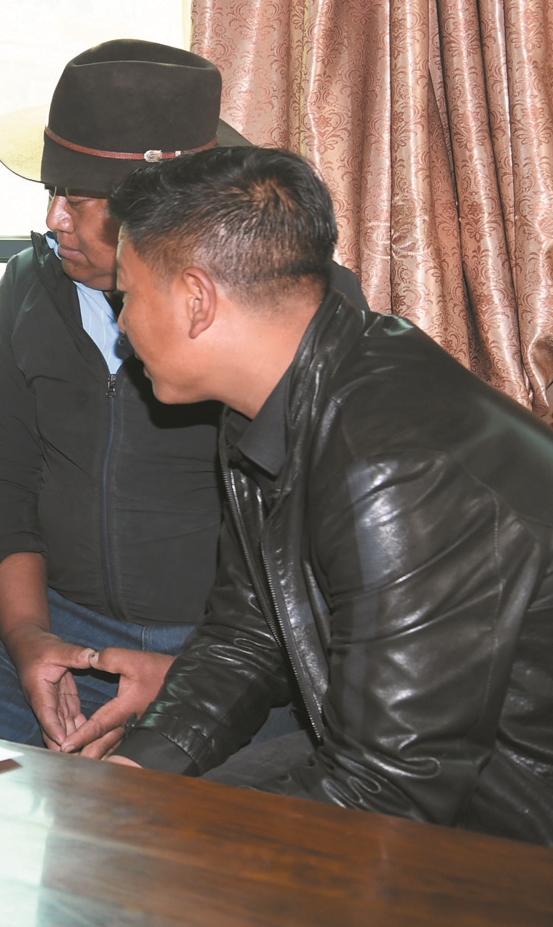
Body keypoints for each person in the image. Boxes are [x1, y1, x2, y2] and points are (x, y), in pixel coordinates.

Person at [0, 41, 361, 755]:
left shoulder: (281, 306)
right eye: (50, 190)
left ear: (162, 211)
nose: (54, 219)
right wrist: (30, 640)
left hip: (237, 652)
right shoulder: (29, 286)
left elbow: (324, 549)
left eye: (79, 199)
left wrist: (198, 677)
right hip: (61, 624)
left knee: (210, 802)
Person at [106, 146, 553, 846]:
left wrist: (172, 849)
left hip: (511, 827)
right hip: (406, 775)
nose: (121, 324)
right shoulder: (272, 400)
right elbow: (248, 632)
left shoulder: (392, 463)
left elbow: (392, 790)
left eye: (126, 295)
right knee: (124, 827)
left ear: (196, 300)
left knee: (154, 860)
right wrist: (132, 772)